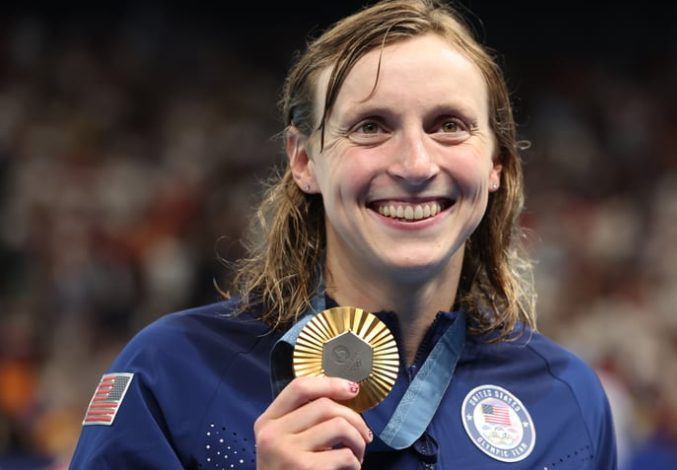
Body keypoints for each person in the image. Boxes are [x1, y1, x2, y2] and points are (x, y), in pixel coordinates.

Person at [69, 0, 617, 468]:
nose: (415, 163)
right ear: (304, 160)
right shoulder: (175, 372)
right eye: (371, 126)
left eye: (449, 125)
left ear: (496, 162)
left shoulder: (566, 401)